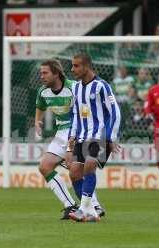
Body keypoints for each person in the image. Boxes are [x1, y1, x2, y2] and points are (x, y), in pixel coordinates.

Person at [35, 59, 105, 219]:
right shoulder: (42, 92)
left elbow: (84, 111)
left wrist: (71, 145)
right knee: (45, 166)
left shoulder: (74, 87)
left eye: (45, 73)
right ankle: (70, 206)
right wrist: (37, 121)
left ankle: (93, 207)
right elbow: (40, 106)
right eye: (41, 73)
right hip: (62, 132)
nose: (42, 76)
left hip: (78, 130)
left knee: (76, 169)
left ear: (56, 73)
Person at [67, 53, 121, 222]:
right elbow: (75, 113)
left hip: (100, 135)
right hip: (82, 136)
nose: (72, 69)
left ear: (87, 67)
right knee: (75, 173)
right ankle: (92, 212)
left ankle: (82, 210)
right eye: (72, 65)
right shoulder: (75, 87)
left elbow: (115, 112)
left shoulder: (101, 86)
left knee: (90, 165)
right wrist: (72, 135)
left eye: (76, 66)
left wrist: (111, 138)